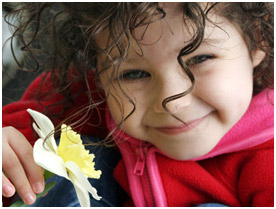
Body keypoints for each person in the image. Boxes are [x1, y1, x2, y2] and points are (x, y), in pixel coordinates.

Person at [2, 2, 274, 207]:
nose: (172, 102)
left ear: (255, 40)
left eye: (199, 59)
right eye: (133, 74)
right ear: (98, 73)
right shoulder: (84, 97)